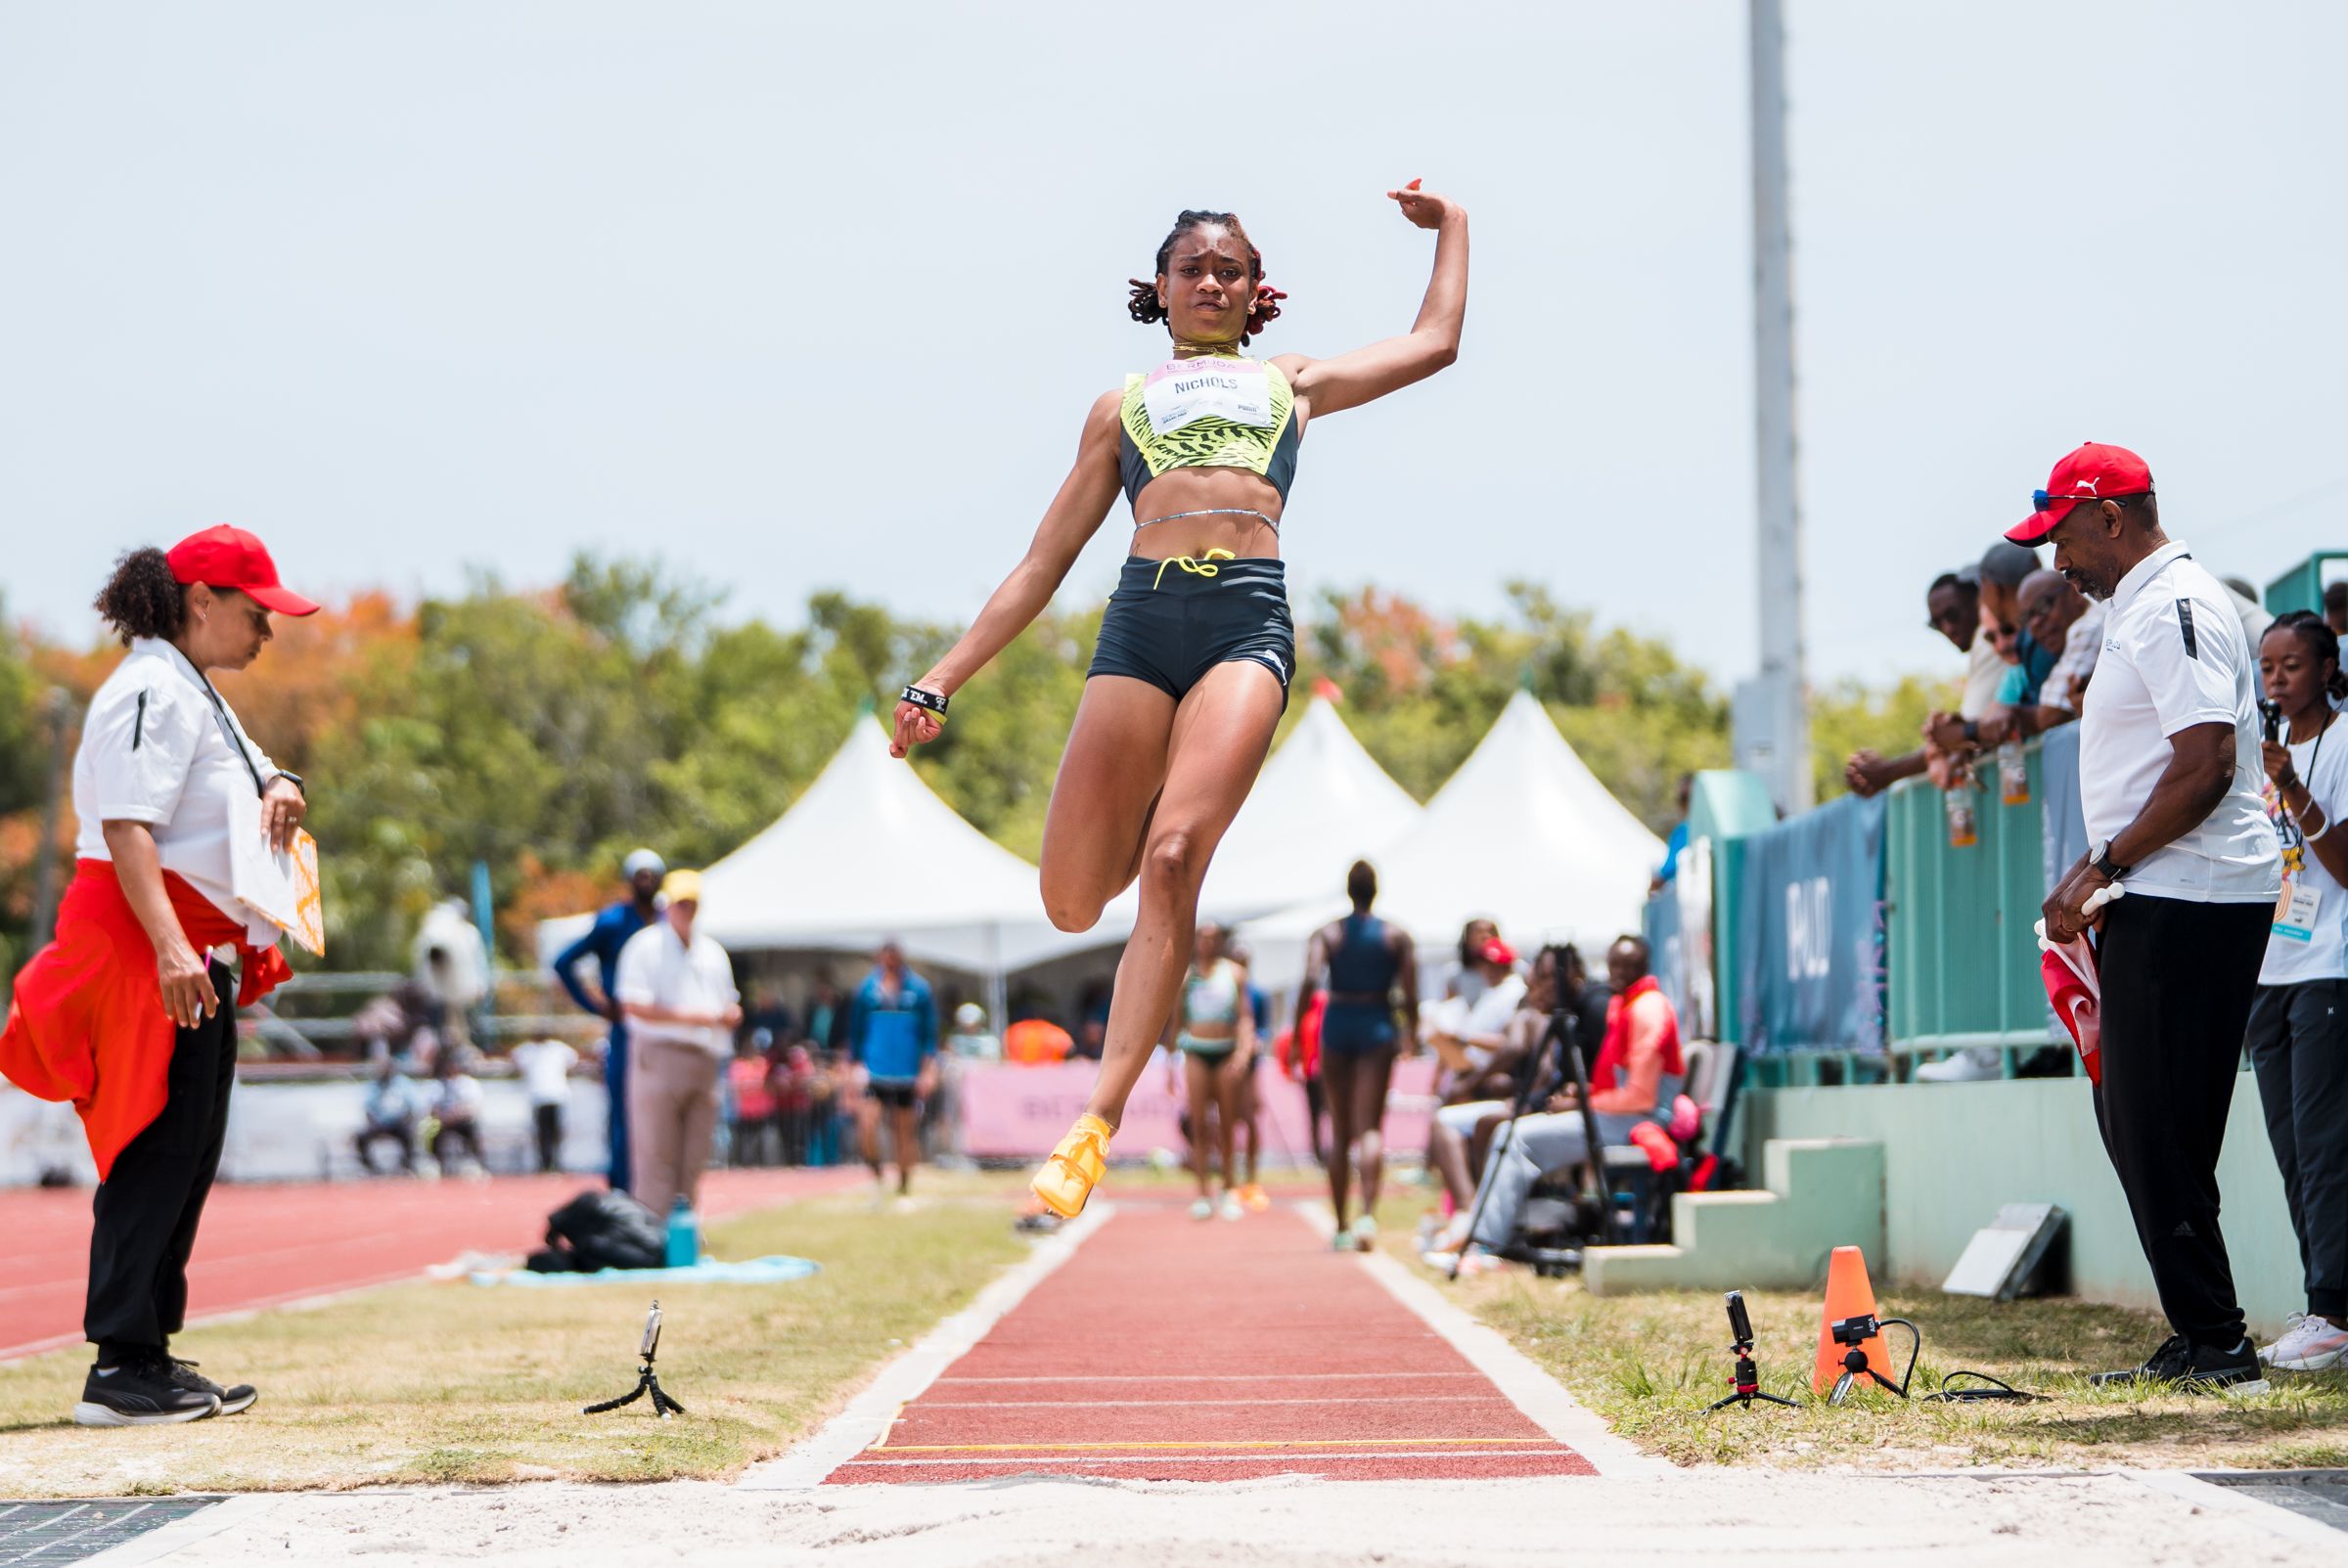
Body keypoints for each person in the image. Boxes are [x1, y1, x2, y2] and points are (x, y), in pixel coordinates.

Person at [885, 186, 1469, 1220]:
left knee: (1171, 858)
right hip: (1141, 626)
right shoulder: (1123, 409)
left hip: (1244, 624)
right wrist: (941, 676)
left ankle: (1093, 1124)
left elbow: (1434, 345)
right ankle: (1143, 845)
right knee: (1072, 900)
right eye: (1191, 268)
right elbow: (1040, 565)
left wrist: (1454, 225)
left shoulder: (1291, 384)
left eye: (1230, 270)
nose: (1210, 281)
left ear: (1259, 295)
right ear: (1158, 290)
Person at [2024, 442, 2281, 1394]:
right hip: (2167, 891)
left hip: (2191, 893)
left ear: (2111, 517)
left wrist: (2104, 866)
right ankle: (2202, 1333)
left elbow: (2206, 763)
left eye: (2062, 537)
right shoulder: (2143, 606)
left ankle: (2221, 1347)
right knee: (2149, 1124)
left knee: (2151, 1126)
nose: (2058, 561)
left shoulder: (2174, 606)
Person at [1425, 937, 1684, 1269]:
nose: (1618, 974)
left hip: (1640, 1122)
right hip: (1624, 1115)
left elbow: (1641, 1097)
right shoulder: (1629, 1004)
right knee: (1509, 1132)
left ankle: (1485, 1245)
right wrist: (1586, 1094)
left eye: (1628, 967)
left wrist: (1585, 1100)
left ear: (1644, 967)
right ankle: (1485, 1236)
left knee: (1515, 1136)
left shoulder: (1647, 1008)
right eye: (1613, 965)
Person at [2246, 612, 2348, 1372]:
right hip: (2271, 969)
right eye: (2267, 666)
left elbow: (2342, 866)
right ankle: (2323, 1308)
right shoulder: (2263, 752)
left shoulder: (2341, 742)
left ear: (2325, 666)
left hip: (2328, 968)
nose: (2277, 678)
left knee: (2324, 1147)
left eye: (2291, 665)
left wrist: (2290, 785)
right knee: (2290, 1149)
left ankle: (2334, 1308)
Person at [1297, 862, 1420, 1248]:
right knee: (1369, 1128)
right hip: (1377, 1021)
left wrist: (1299, 1023)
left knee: (1339, 1128)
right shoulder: (1397, 935)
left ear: (1348, 891)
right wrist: (1410, 1033)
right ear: (1376, 891)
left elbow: (1309, 978)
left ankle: (1340, 1227)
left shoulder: (1327, 932)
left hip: (1337, 1022)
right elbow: (1411, 994)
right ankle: (1367, 1216)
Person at [613, 870, 741, 1221]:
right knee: (657, 1154)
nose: (687, 909)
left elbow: (727, 1001)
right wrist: (694, 1017)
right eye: (681, 903)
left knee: (695, 1154)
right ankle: (650, 1233)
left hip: (706, 1056)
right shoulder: (645, 946)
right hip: (660, 1054)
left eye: (692, 903)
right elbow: (632, 1003)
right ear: (665, 904)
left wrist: (727, 1016)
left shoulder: (712, 951)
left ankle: (683, 1233)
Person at [1847, 558, 2027, 798]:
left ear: (1980, 600)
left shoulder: (1984, 638)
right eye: (1937, 623)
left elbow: (1968, 733)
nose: (1948, 628)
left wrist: (1889, 771)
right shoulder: (1986, 647)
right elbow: (1969, 732)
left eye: (1952, 615)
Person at [553, 849, 665, 1193]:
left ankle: (659, 1191)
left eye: (651, 874)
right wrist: (597, 1005)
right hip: (627, 1030)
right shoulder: (612, 921)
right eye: (639, 874)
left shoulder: (667, 920)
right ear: (629, 880)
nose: (645, 880)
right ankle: (622, 1190)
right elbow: (564, 962)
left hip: (665, 1030)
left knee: (663, 1113)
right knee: (624, 1111)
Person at [1923, 570, 2090, 754]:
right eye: (1990, 638)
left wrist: (1966, 731)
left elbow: (2048, 715)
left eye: (2008, 630)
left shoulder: (2086, 629)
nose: (2001, 645)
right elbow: (1991, 720)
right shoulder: (2018, 670)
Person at [1170, 922, 1255, 1221]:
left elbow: (1245, 1017)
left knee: (1227, 1122)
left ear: (1219, 941)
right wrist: (1171, 1063)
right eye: (1202, 938)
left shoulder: (1233, 974)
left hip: (1225, 1051)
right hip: (1196, 1050)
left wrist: (1243, 1053)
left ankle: (1229, 1187)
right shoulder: (1186, 978)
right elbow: (1176, 1023)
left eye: (1212, 938)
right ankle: (1203, 1191)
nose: (1207, 943)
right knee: (1198, 1123)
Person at [849, 941, 938, 1199]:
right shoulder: (867, 989)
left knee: (903, 1130)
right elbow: (855, 1032)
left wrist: (927, 1070)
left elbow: (929, 1035)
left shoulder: (918, 990)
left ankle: (904, 1182)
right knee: (867, 1124)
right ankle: (876, 1171)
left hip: (907, 1071)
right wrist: (854, 1065)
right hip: (875, 1069)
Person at [1226, 937, 1273, 1212]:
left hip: (1249, 1064)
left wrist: (1256, 1041)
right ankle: (1228, 1179)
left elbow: (1263, 1028)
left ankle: (1251, 1179)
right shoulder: (1221, 989)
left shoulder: (1258, 994)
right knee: (1225, 1119)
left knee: (1251, 1115)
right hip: (1225, 1060)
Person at [509, 1036, 578, 1175]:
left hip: (555, 1095)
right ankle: (546, 1163)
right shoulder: (530, 1049)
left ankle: (554, 1162)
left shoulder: (557, 1047)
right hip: (540, 1096)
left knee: (554, 1132)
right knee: (544, 1133)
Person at [355, 1059, 422, 1176]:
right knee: (361, 1137)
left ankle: (406, 1165)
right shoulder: (373, 1086)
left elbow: (411, 1107)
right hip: (379, 1124)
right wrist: (374, 1122)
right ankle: (371, 1168)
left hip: (398, 1123)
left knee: (408, 1135)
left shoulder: (403, 1084)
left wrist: (405, 1120)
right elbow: (368, 1108)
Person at [428, 1047, 486, 1176]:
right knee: (430, 1129)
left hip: (462, 1121)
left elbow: (472, 1107)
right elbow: (433, 1107)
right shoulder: (438, 1085)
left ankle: (474, 1161)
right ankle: (436, 1162)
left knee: (472, 1129)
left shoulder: (468, 1083)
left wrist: (454, 1115)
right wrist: (444, 1117)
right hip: (443, 1121)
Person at [727, 1031, 780, 1168]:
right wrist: (754, 1085)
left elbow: (769, 1084)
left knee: (767, 1146)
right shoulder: (738, 1064)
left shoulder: (764, 1063)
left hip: (764, 1112)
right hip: (746, 1113)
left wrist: (753, 1085)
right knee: (746, 1147)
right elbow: (737, 1086)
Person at [1648, 774, 1695, 894]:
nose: (1682, 804)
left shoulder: (1684, 831)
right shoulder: (1682, 830)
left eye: (1685, 798)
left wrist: (1657, 881)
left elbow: (1668, 870)